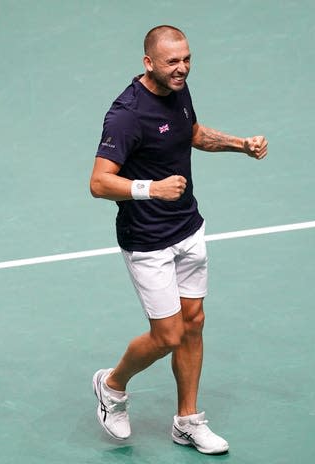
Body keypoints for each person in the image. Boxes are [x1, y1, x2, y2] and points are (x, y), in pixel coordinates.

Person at [89, 25, 268, 455]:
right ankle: (111, 386)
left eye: (187, 59)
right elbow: (98, 183)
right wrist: (150, 188)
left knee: (193, 324)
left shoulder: (178, 90)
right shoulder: (126, 114)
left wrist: (239, 144)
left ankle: (188, 420)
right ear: (148, 63)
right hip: (147, 238)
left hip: (187, 226)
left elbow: (190, 132)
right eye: (172, 62)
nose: (182, 68)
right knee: (167, 335)